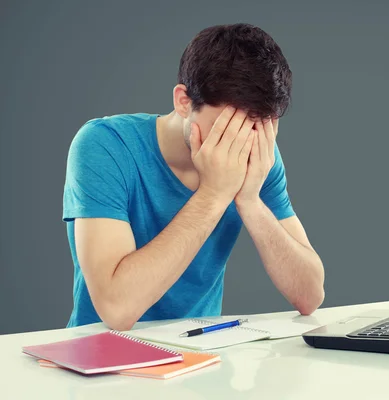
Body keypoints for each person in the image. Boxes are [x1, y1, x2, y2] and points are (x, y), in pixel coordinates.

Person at [62, 23, 325, 330]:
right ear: (184, 102)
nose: (241, 143)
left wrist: (250, 201)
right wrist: (213, 194)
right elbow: (117, 309)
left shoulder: (259, 157)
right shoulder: (104, 145)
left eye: (258, 127)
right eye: (229, 126)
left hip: (198, 355)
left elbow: (310, 296)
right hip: (101, 357)